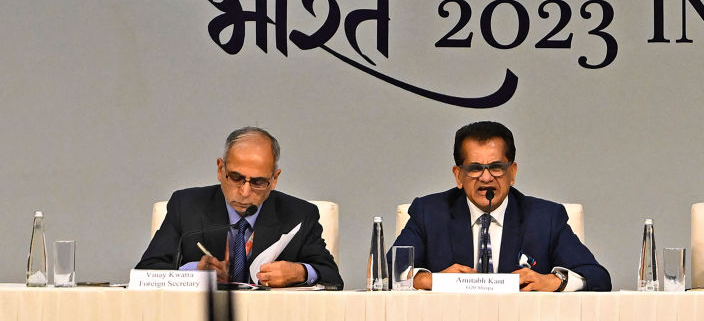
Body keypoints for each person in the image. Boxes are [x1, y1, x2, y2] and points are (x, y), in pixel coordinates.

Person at [389, 121, 611, 291]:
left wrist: (553, 281)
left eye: (496, 167)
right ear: (458, 176)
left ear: (512, 173)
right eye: (475, 168)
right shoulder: (429, 213)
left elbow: (597, 276)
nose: (486, 178)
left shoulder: (545, 218)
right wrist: (429, 280)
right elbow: (387, 270)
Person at [136, 127, 342, 288]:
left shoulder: (299, 214)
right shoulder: (186, 205)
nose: (244, 192)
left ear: (274, 179)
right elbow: (145, 272)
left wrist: (300, 273)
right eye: (236, 178)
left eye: (258, 182)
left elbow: (333, 278)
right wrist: (193, 273)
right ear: (220, 169)